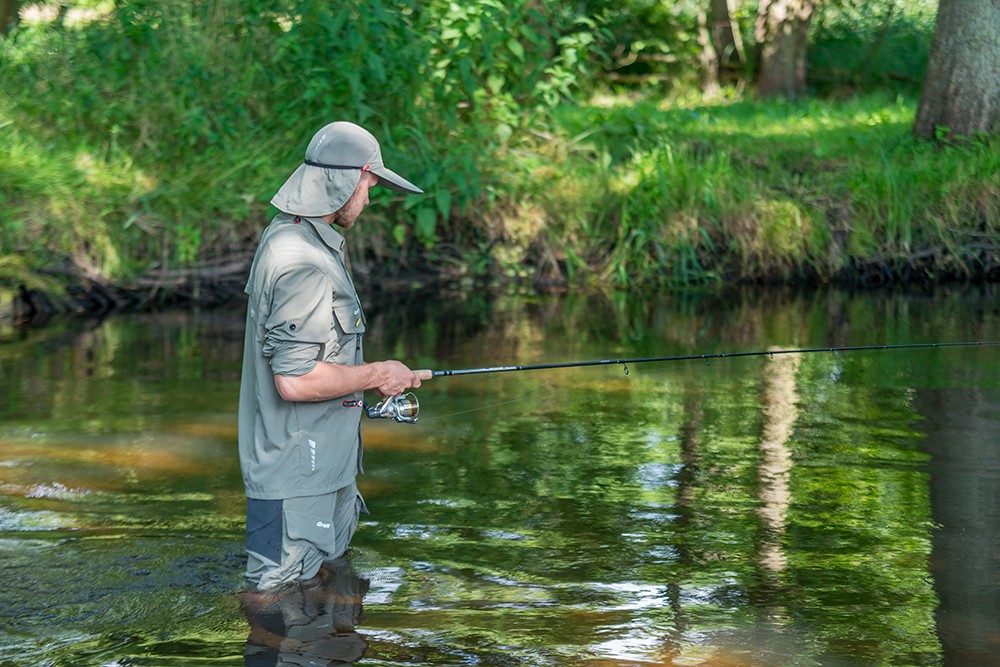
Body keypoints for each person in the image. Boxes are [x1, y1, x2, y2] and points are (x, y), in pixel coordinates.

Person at [239, 121, 425, 591]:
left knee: (327, 611)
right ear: (349, 177)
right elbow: (295, 380)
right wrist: (379, 372)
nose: (369, 196)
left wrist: (367, 375)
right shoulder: (300, 259)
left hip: (326, 472)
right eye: (370, 184)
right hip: (297, 481)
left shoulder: (300, 237)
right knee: (276, 609)